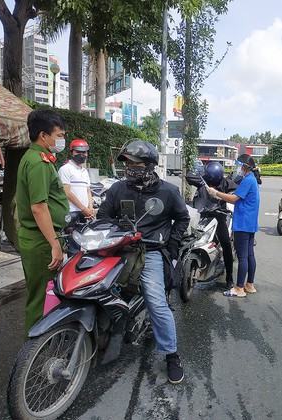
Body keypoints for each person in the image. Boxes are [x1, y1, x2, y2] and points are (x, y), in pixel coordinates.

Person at [97, 140, 190, 384]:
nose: (130, 169)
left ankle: (171, 354)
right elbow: (103, 216)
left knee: (157, 304)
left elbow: (182, 218)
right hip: (119, 249)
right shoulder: (118, 189)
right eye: (127, 164)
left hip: (149, 252)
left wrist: (171, 244)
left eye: (135, 164)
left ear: (149, 166)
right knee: (95, 287)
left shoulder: (168, 192)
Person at [16, 109, 69, 332]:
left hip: (40, 238)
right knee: (40, 299)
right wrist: (55, 245)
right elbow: (38, 208)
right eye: (59, 135)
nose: (62, 140)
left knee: (44, 294)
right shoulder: (38, 162)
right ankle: (33, 356)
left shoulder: (40, 158)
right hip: (41, 241)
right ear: (43, 135)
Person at [207, 154, 260, 297]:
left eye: (238, 165)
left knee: (242, 257)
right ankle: (249, 285)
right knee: (249, 255)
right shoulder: (251, 179)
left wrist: (216, 193)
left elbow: (234, 199)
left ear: (244, 167)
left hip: (243, 222)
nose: (237, 168)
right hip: (250, 222)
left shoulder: (248, 180)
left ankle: (239, 288)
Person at [201, 161, 237, 289]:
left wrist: (221, 194)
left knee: (226, 244)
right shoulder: (203, 179)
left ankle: (229, 277)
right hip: (203, 213)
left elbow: (234, 191)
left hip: (219, 215)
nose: (212, 184)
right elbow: (190, 176)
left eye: (214, 181)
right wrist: (199, 177)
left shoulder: (226, 182)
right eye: (210, 180)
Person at [58, 138, 94, 255]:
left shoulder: (84, 171)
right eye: (78, 152)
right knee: (73, 248)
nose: (82, 154)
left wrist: (90, 208)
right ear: (71, 152)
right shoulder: (65, 169)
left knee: (84, 247)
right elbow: (67, 192)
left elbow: (88, 191)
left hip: (85, 214)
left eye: (84, 152)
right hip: (72, 214)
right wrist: (84, 209)